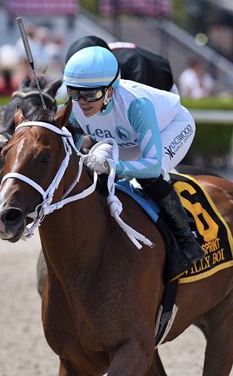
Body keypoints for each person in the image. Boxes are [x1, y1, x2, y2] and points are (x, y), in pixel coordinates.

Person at [63, 46, 204, 273]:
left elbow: (151, 165)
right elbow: (72, 158)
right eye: (74, 93)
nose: (82, 102)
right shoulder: (74, 110)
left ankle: (187, 241)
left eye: (91, 95)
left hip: (171, 127)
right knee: (91, 170)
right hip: (127, 139)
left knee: (151, 178)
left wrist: (112, 166)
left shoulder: (136, 106)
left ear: (110, 91)